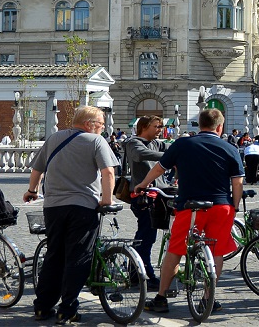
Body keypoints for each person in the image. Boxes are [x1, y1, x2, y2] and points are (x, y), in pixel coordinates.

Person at [135, 109, 243, 315]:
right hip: (221, 207)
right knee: (217, 251)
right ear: (219, 127)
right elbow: (237, 183)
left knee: (175, 250)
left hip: (190, 206)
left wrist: (143, 184)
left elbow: (159, 169)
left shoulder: (183, 144)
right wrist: (235, 206)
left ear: (199, 124)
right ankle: (207, 299)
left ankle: (161, 298)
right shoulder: (230, 148)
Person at [22, 105, 117, 324]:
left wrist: (32, 190)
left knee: (54, 255)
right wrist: (107, 200)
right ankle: (67, 309)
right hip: (82, 206)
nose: (102, 129)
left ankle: (42, 307)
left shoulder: (54, 138)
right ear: (89, 124)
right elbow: (108, 172)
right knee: (78, 256)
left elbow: (37, 168)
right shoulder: (95, 141)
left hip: (53, 207)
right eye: (101, 125)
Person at [125, 115, 169, 290]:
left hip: (159, 195)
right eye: (156, 126)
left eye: (161, 126)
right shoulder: (133, 143)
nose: (160, 129)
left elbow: (171, 146)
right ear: (144, 126)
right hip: (142, 197)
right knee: (146, 236)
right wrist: (168, 156)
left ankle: (136, 272)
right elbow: (140, 155)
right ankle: (144, 272)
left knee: (148, 236)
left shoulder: (157, 143)